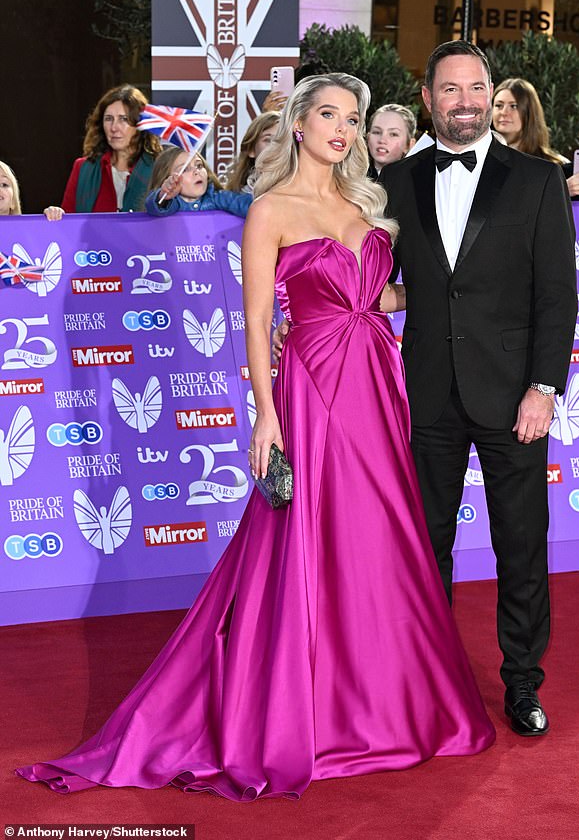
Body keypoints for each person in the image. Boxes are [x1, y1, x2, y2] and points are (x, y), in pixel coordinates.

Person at [17, 72, 494, 801]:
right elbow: (258, 322)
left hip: (376, 386)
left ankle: (383, 703)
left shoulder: (369, 204)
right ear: (297, 125)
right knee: (307, 539)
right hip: (311, 391)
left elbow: (384, 296)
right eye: (329, 114)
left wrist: (443, 285)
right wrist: (265, 416)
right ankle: (306, 710)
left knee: (378, 541)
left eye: (353, 117)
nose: (343, 128)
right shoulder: (269, 209)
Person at [380, 42, 577, 737]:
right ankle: (426, 682)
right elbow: (391, 281)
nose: (465, 101)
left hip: (513, 396)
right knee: (424, 547)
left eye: (476, 88)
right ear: (428, 97)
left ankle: (522, 684)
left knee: (520, 545)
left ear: (491, 95)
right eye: (451, 89)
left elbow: (557, 295)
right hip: (430, 393)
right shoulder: (396, 180)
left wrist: (543, 387)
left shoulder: (535, 178)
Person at [60, 84, 162, 213]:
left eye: (123, 119)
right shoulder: (83, 168)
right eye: (108, 119)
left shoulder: (158, 168)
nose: (114, 128)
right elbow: (67, 222)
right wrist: (55, 214)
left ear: (140, 124)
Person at [145, 146, 252, 218]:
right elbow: (154, 208)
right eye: (185, 169)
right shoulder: (172, 203)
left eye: (199, 165)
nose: (196, 171)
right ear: (166, 179)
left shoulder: (218, 198)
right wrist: (163, 195)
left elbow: (251, 207)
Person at [492, 78, 567, 164]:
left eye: (513, 106)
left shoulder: (555, 165)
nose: (504, 112)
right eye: (498, 105)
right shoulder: (478, 157)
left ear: (529, 112)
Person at [223, 111, 280, 192]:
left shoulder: (302, 192)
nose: (275, 147)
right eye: (268, 140)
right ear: (251, 150)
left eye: (282, 140)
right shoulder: (233, 199)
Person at [366, 103, 417, 178]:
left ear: (409, 144)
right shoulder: (350, 177)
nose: (382, 140)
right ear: (368, 137)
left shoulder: (418, 182)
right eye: (376, 132)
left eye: (393, 134)